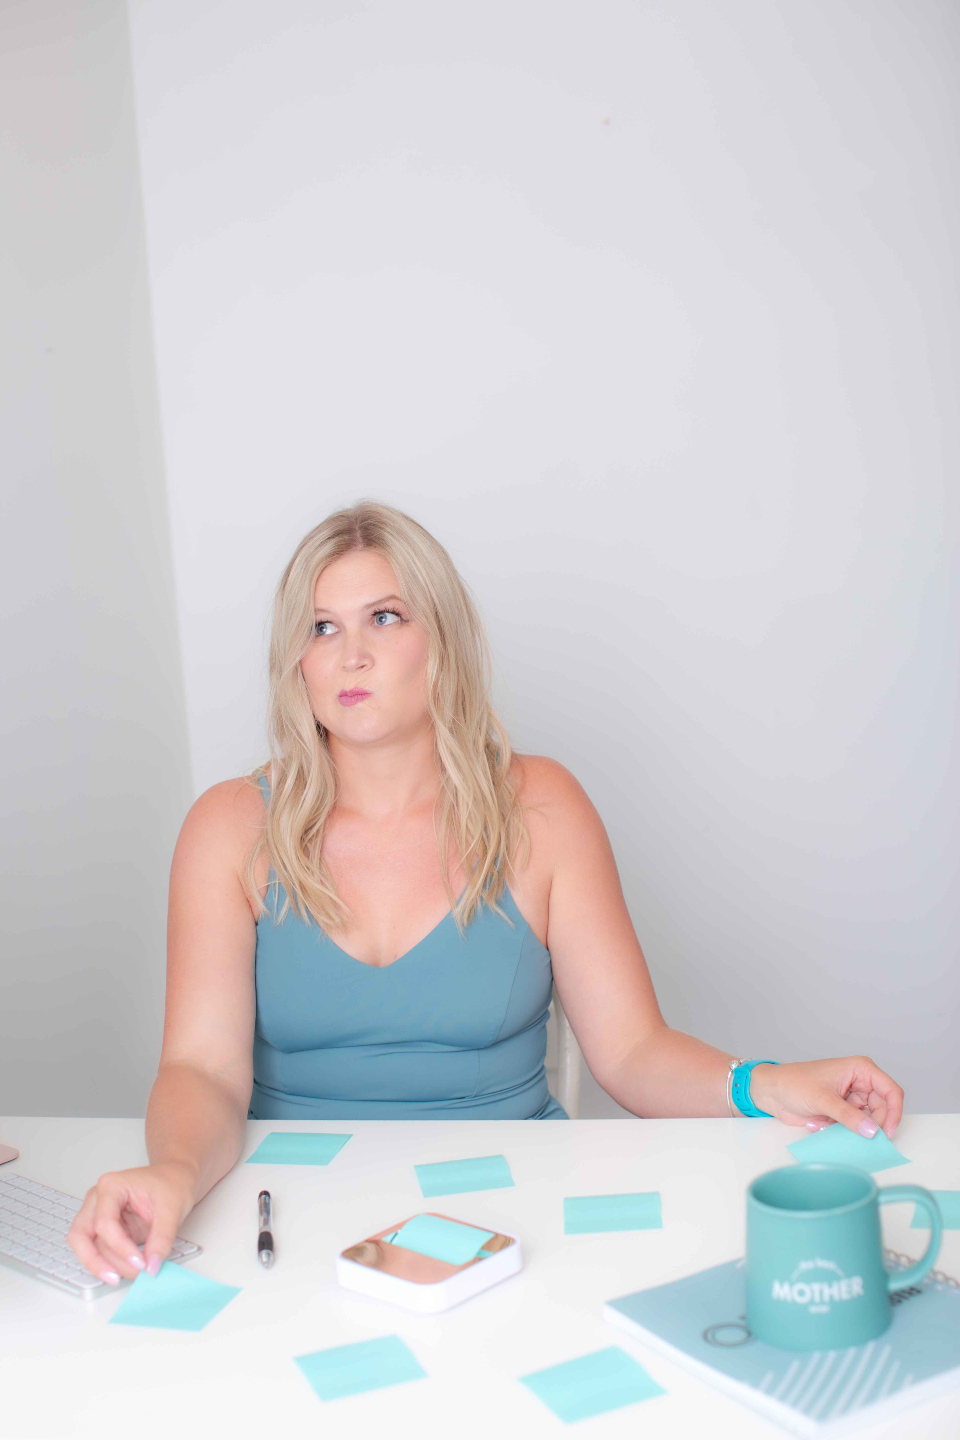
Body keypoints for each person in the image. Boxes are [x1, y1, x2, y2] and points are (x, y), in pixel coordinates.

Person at [68, 501, 904, 1286]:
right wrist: (172, 1172)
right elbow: (201, 1070)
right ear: (298, 663)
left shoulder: (544, 808)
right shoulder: (227, 826)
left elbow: (632, 1052)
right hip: (288, 1209)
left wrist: (768, 1084)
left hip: (514, 1210)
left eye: (384, 617)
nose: (351, 654)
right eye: (321, 628)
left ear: (442, 640)